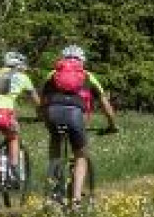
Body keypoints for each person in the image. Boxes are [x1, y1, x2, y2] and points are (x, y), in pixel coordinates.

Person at [40, 43, 118, 205]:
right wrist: (112, 125)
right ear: (82, 61)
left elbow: (43, 101)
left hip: (53, 113)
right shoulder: (88, 76)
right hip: (75, 116)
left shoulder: (52, 74)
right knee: (81, 156)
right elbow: (106, 106)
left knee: (55, 147)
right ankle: (75, 199)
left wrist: (46, 121)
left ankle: (53, 191)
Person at [0, 50, 37, 189]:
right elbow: (35, 99)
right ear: (19, 64)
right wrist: (41, 114)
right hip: (5, 112)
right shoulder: (22, 77)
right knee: (13, 138)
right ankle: (14, 172)